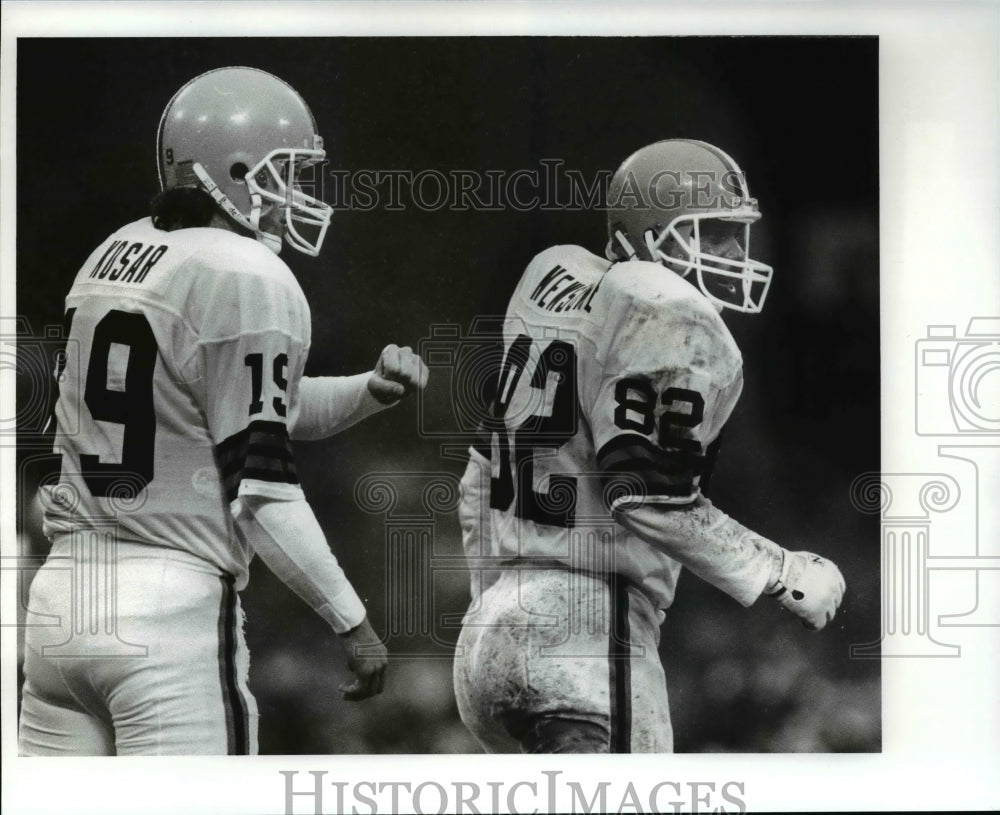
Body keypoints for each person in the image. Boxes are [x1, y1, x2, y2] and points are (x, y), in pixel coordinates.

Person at [18, 66, 428, 755]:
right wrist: (352, 620)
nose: (292, 195)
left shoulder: (113, 253)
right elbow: (262, 487)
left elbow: (232, 409)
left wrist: (367, 390)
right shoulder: (247, 274)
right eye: (281, 174)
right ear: (230, 172)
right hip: (166, 611)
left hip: (62, 603)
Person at [452, 139, 846, 753]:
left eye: (736, 234)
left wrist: (497, 600)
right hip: (587, 637)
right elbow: (645, 494)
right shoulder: (664, 308)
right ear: (648, 235)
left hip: (489, 635)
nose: (735, 253)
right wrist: (781, 572)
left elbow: (478, 474)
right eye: (712, 234)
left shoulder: (552, 279)